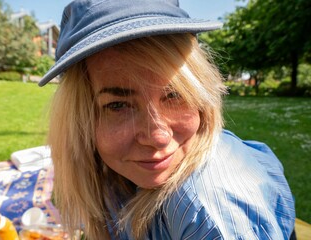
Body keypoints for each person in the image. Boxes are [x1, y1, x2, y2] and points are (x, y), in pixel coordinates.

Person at [39, 0, 296, 239]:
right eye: (118, 105)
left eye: (174, 94)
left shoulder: (206, 211)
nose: (157, 137)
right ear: (81, 119)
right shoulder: (114, 173)